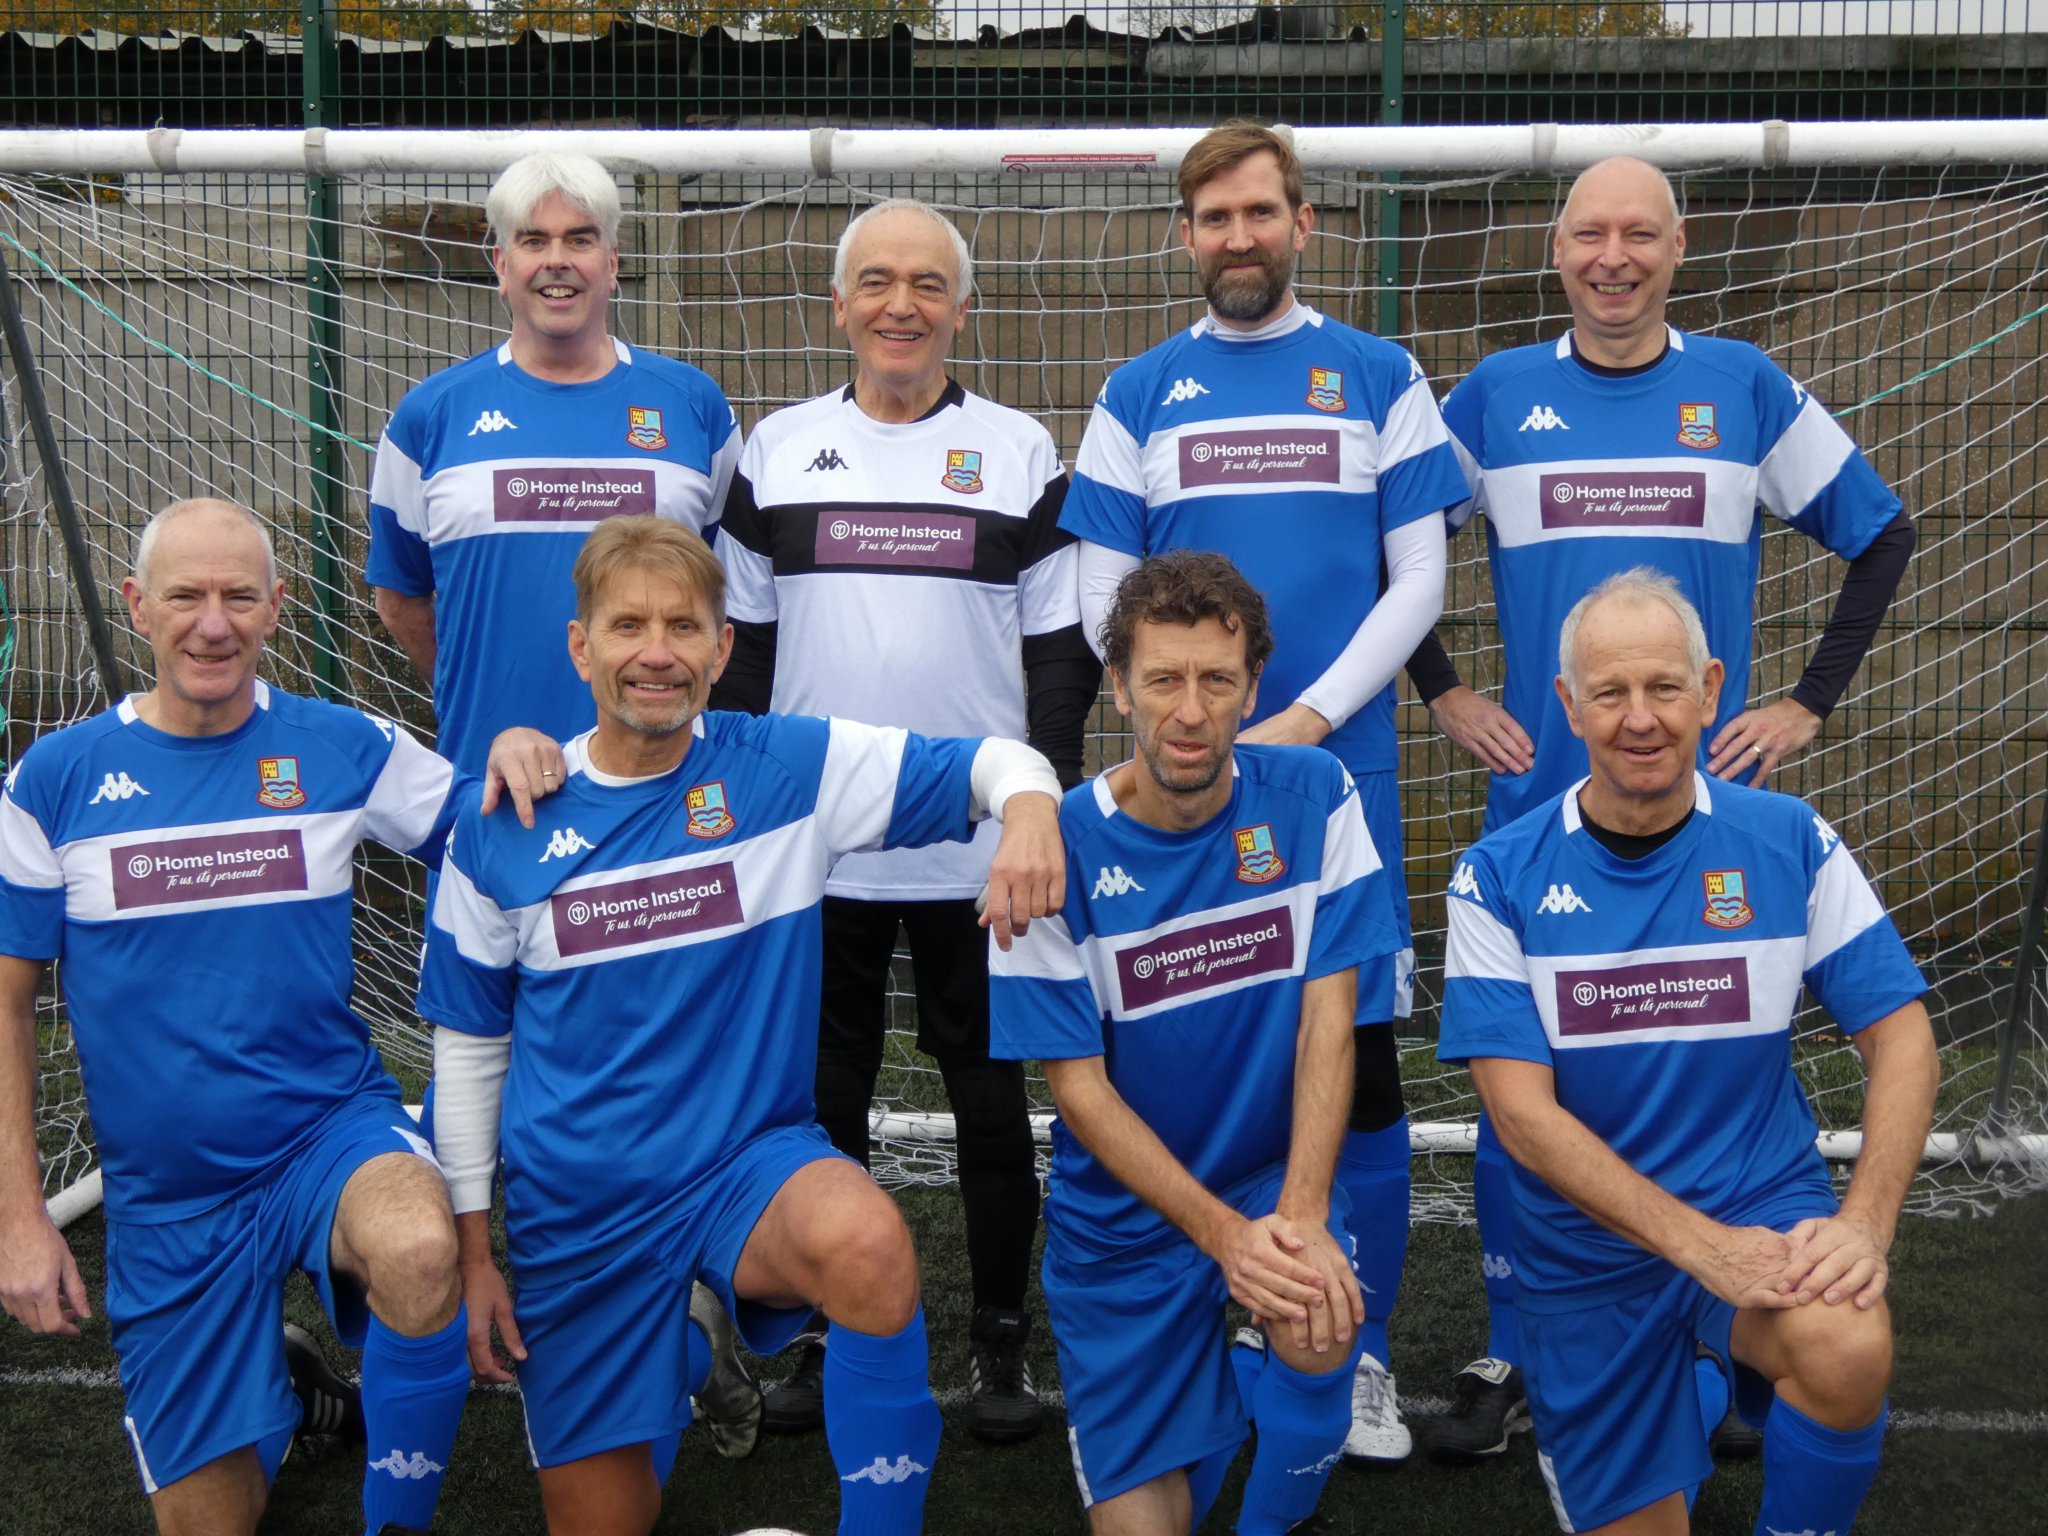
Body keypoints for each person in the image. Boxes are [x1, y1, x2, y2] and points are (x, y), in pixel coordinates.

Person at [1404, 155, 1915, 1462]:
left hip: (1702, 806)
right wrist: (1447, 689)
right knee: (1540, 1096)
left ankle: (1720, 1324)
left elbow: (1883, 532)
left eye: (1640, 232)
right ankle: (1525, 1348)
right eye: (1590, 234)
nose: (1614, 255)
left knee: (1715, 1064)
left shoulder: (1740, 387)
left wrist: (1803, 701)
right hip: (1543, 812)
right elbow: (1395, 539)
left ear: (1681, 246)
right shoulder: (1498, 396)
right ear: (1558, 250)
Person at [420, 516, 1064, 1536]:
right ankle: (686, 1344)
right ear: (580, 648)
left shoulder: (783, 771)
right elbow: (467, 1053)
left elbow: (995, 763)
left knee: (868, 1242)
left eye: (684, 627)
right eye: (627, 626)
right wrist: (472, 1256)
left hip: (744, 1170)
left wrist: (1030, 812)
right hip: (577, 1212)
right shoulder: (499, 824)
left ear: (723, 650)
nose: (657, 652)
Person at [0, 498, 547, 1536]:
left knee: (419, 1248)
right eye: (187, 597)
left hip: (324, 1134)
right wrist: (18, 1217)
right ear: (136, 607)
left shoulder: (342, 746)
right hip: (167, 1199)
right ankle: (296, 1394)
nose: (215, 624)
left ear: (278, 608)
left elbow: (491, 828)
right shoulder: (52, 785)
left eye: (239, 597)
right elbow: (7, 1005)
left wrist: (527, 756)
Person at [1062, 120, 1469, 1463]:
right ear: (1186, 237)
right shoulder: (1136, 394)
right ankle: (1215, 1298)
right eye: (1212, 218)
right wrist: (1205, 723)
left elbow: (1420, 582)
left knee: (1355, 1074)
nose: (1237, 238)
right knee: (1194, 1053)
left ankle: (1355, 1353)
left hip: (1328, 783)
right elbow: (1092, 604)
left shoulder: (1378, 374)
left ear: (1304, 221)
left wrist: (1297, 721)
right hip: (1179, 791)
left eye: (1260, 213)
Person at [363, 149, 758, 1451]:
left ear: (615, 255)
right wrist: (496, 729)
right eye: (531, 239)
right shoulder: (428, 417)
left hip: (660, 807)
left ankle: (683, 1309)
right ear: (496, 261)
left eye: (581, 236)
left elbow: (728, 608)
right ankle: (506, 1297)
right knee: (496, 1067)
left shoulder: (695, 409)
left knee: (663, 1068)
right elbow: (403, 603)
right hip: (503, 818)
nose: (556, 259)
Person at [712, 197, 1100, 1444]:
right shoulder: (773, 453)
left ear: (961, 308)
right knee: (822, 1100)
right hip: (811, 852)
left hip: (975, 850)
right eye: (874, 282)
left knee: (992, 1104)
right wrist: (732, 825)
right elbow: (741, 665)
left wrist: (1035, 807)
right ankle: (828, 1333)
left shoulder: (1022, 451)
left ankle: (999, 1346)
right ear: (837, 305)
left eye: (926, 284)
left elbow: (1057, 658)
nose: (899, 305)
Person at [1438, 567, 1937, 1535]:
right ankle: (1700, 1383)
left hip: (1757, 1203)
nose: (1639, 718)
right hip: (1586, 1252)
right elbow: (1520, 1119)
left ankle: (1723, 1382)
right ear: (1566, 708)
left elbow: (1903, 1036)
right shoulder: (1494, 876)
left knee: (1842, 1342)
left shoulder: (1787, 839)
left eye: (1663, 688)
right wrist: (1701, 1253)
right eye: (1610, 692)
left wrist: (1862, 1226)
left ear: (1709, 690)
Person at [989, 552, 1384, 1535]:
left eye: (1216, 681)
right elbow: (1078, 1095)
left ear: (1254, 687)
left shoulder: (1317, 795)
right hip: (1120, 1226)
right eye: (1162, 680)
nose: (1189, 711)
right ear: (1118, 684)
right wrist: (1225, 1242)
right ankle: (1212, 1374)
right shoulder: (1052, 854)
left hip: (1263, 1182)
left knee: (1316, 1314)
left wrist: (1289, 1221)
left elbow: (1327, 1025)